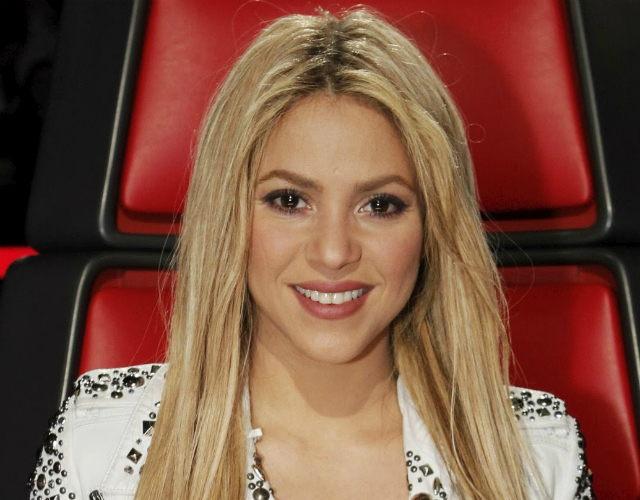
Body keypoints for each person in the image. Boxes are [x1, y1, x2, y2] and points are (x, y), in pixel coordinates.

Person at [28, 8, 594, 500]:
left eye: (380, 205)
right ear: (229, 216)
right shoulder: (99, 443)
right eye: (290, 200)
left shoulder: (539, 454)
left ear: (433, 226)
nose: (333, 251)